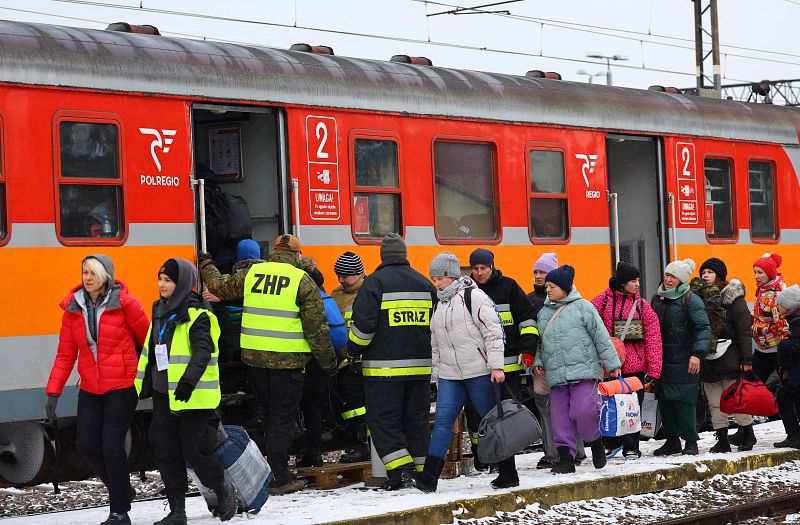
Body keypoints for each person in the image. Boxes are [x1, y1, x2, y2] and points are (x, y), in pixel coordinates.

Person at [46, 255, 149, 525]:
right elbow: (65, 355)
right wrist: (53, 393)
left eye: (92, 272)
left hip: (123, 385)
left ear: (105, 275)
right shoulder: (73, 309)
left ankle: (119, 512)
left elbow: (147, 340)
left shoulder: (126, 303)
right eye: (84, 272)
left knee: (111, 444)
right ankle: (123, 489)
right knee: (86, 443)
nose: (87, 277)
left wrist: (148, 378)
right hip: (91, 386)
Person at [229, 234, 336, 494]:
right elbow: (317, 330)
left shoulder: (254, 273)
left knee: (267, 416)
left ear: (273, 252)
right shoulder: (302, 281)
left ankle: (269, 471)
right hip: (286, 365)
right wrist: (329, 364)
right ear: (298, 256)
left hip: (255, 362)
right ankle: (279, 477)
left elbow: (222, 287)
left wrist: (206, 264)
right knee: (282, 420)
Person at [134, 258, 236, 524]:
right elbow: (148, 351)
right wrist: (138, 386)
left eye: (168, 280)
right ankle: (177, 511)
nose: (161, 285)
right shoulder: (158, 310)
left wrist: (188, 381)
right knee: (165, 452)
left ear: (181, 284)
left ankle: (222, 488)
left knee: (196, 451)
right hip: (164, 394)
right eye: (160, 279)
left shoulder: (199, 315)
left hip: (194, 397)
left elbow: (204, 351)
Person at [347, 233, 436, 490]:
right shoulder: (424, 283)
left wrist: (353, 352)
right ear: (404, 254)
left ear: (382, 257)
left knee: (383, 420)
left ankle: (399, 471)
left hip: (383, 370)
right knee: (416, 420)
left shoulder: (375, 283)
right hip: (420, 368)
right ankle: (421, 471)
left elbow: (364, 327)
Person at [413, 252, 505, 493]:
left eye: (440, 277)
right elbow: (435, 344)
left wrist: (496, 366)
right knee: (442, 423)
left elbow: (493, 331)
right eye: (433, 278)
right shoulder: (440, 304)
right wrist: (437, 376)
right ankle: (428, 479)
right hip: (451, 376)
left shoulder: (473, 296)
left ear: (452, 275)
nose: (436, 282)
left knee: (490, 422)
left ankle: (508, 471)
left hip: (478, 372)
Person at [534, 264, 621, 474]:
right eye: (547, 287)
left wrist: (612, 364)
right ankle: (566, 459)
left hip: (584, 373)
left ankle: (595, 442)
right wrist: (537, 361)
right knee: (559, 418)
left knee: (584, 411)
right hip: (556, 375)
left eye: (552, 286)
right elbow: (540, 342)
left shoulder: (584, 307)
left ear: (564, 287)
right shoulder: (544, 312)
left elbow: (601, 336)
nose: (548, 290)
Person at [468, 248, 539, 488]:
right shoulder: (468, 291)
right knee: (478, 416)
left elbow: (528, 319)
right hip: (479, 368)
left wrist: (528, 349)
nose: (479, 273)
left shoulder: (509, 287)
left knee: (504, 419)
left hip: (507, 367)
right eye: (475, 269)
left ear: (492, 266)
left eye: (483, 268)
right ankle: (489, 460)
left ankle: (509, 472)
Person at [591, 261, 662, 459]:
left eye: (638, 280)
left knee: (632, 408)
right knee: (609, 406)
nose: (637, 284)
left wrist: (654, 369)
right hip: (610, 367)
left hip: (635, 367)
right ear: (622, 283)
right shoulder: (603, 301)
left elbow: (653, 337)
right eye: (633, 280)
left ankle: (632, 446)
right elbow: (587, 320)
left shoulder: (642, 306)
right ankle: (610, 443)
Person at [527, 252, 586, 469]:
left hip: (564, 363)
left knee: (568, 408)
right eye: (536, 271)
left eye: (543, 272)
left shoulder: (570, 302)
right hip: (541, 365)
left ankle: (575, 452)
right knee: (545, 407)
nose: (538, 276)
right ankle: (552, 453)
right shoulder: (529, 300)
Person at [650, 259, 711, 456]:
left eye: (673, 276)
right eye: (667, 275)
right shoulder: (657, 298)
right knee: (665, 401)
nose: (668, 279)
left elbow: (703, 329)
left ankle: (691, 441)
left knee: (685, 401)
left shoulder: (690, 299)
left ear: (682, 280)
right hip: (663, 360)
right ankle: (672, 441)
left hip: (685, 359)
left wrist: (697, 355)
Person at [698, 258, 756, 452]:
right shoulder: (698, 299)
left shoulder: (733, 299)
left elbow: (744, 330)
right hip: (708, 359)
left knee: (736, 399)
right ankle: (722, 439)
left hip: (730, 356)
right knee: (714, 403)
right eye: (703, 272)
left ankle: (748, 434)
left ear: (719, 276)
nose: (705, 275)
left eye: (709, 272)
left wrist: (746, 358)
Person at [297, 257, 347, 468]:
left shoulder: (307, 300)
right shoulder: (327, 297)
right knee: (314, 406)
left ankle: (309, 452)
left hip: (308, 360)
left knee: (303, 405)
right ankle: (314, 452)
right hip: (325, 360)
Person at [330, 251, 371, 463]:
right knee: (348, 404)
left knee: (357, 403)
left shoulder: (369, 291)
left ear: (359, 273)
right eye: (339, 275)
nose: (341, 280)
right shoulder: (336, 293)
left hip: (362, 358)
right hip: (343, 360)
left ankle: (364, 445)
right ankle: (357, 441)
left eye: (346, 275)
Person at [752, 253, 789, 385]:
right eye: (755, 272)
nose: (756, 276)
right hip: (762, 347)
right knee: (754, 384)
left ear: (770, 274)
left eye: (760, 272)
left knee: (757, 384)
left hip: (774, 350)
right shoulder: (762, 289)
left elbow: (783, 326)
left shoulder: (775, 296)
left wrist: (785, 360)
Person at [774, 285, 800, 448]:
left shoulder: (796, 322)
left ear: (790, 306)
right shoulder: (793, 320)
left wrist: (784, 346)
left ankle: (794, 436)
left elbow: (797, 348)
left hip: (797, 374)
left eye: (780, 304)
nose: (776, 307)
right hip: (795, 372)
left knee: (783, 398)